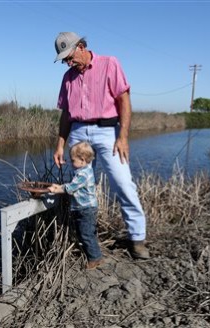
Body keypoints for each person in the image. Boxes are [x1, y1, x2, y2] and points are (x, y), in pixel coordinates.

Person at [52, 31, 149, 259]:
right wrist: (59, 145)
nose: (67, 62)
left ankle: (137, 240)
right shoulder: (68, 78)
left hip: (107, 132)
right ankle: (87, 241)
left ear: (82, 47)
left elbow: (123, 100)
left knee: (124, 185)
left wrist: (123, 137)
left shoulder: (109, 63)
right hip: (77, 133)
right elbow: (66, 114)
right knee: (81, 188)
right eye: (64, 59)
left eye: (69, 56)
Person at [48, 141, 103, 270]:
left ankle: (95, 258)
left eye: (73, 160)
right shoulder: (84, 171)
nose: (71, 163)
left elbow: (72, 187)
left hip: (86, 209)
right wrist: (60, 186)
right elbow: (72, 186)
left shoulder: (83, 174)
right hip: (83, 208)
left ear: (82, 160)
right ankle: (95, 254)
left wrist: (57, 189)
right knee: (87, 233)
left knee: (86, 234)